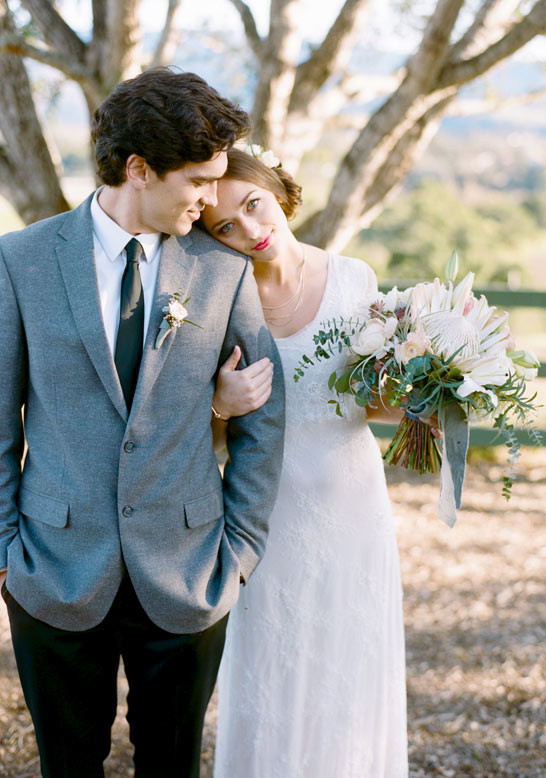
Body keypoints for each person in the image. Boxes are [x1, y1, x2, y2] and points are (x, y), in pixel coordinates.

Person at [0, 70, 285, 778]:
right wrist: (6, 550)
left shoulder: (222, 271)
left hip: (189, 567)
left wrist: (240, 548)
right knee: (68, 765)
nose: (207, 198)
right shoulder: (21, 259)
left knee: (172, 764)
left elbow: (264, 415)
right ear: (138, 168)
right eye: (194, 180)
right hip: (52, 568)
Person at [201, 148, 412, 778]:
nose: (249, 229)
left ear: (274, 190)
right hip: (266, 513)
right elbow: (197, 432)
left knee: (352, 659)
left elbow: (370, 405)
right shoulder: (218, 300)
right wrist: (220, 403)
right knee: (272, 664)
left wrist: (416, 394)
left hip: (354, 505)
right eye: (225, 228)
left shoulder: (355, 278)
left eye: (252, 204)